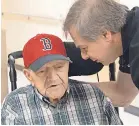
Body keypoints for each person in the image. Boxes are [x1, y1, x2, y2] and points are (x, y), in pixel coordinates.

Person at [1, 34, 122, 125]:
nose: (53, 78)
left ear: (68, 65)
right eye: (42, 71)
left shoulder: (95, 97)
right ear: (28, 75)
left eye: (59, 67)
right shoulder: (15, 106)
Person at [63, 0, 139, 107]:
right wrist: (64, 88)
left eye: (84, 48)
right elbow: (123, 94)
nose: (83, 56)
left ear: (105, 35)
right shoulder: (127, 30)